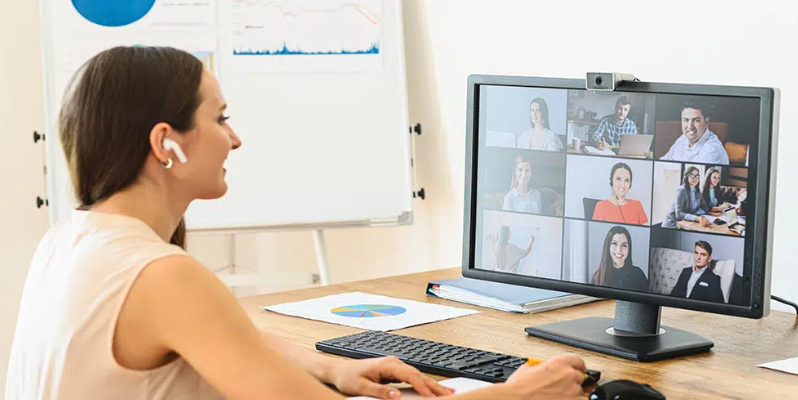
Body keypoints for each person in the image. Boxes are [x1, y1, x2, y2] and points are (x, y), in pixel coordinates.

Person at [5, 46, 589, 400]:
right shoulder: (159, 275)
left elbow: (224, 337)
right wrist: (518, 395)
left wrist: (332, 365)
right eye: (220, 118)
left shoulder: (74, 238)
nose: (235, 137)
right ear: (166, 144)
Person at [660, 99, 730, 165]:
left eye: (696, 120)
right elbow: (663, 162)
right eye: (686, 120)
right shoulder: (683, 138)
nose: (690, 126)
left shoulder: (711, 151)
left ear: (706, 122)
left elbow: (691, 177)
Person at [589, 226, 649, 292]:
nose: (619, 250)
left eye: (624, 245)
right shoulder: (597, 276)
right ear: (608, 247)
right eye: (614, 243)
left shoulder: (638, 274)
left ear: (629, 249)